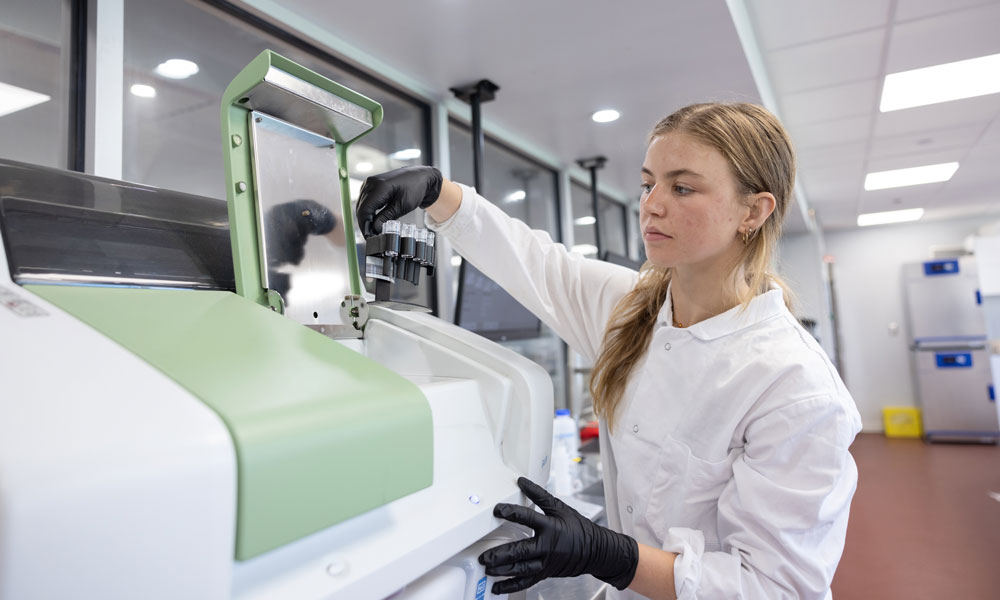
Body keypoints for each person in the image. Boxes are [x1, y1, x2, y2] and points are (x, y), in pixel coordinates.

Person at [356, 102, 862, 600]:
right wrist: (436, 191)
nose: (652, 204)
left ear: (753, 210)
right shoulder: (632, 308)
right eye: (649, 184)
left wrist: (611, 556)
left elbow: (775, 588)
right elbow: (536, 261)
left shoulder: (794, 386)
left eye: (682, 187)